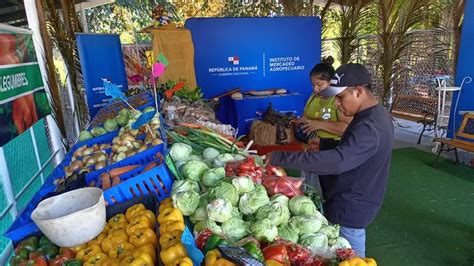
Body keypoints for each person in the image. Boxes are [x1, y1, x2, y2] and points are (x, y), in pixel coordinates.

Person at [267, 63, 394, 257]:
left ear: (358, 91)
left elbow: (338, 161)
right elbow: (352, 149)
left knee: (350, 259)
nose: (337, 103)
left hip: (351, 206)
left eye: (341, 97)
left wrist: (279, 157)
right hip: (350, 197)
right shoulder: (373, 115)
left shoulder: (370, 126)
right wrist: (324, 143)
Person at [295, 62, 352, 196]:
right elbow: (306, 117)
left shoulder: (337, 100)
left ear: (331, 82)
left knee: (329, 190)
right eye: (313, 84)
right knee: (311, 191)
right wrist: (300, 122)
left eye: (319, 84)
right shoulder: (313, 97)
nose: (315, 89)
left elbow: (347, 128)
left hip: (333, 151)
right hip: (312, 149)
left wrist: (319, 124)